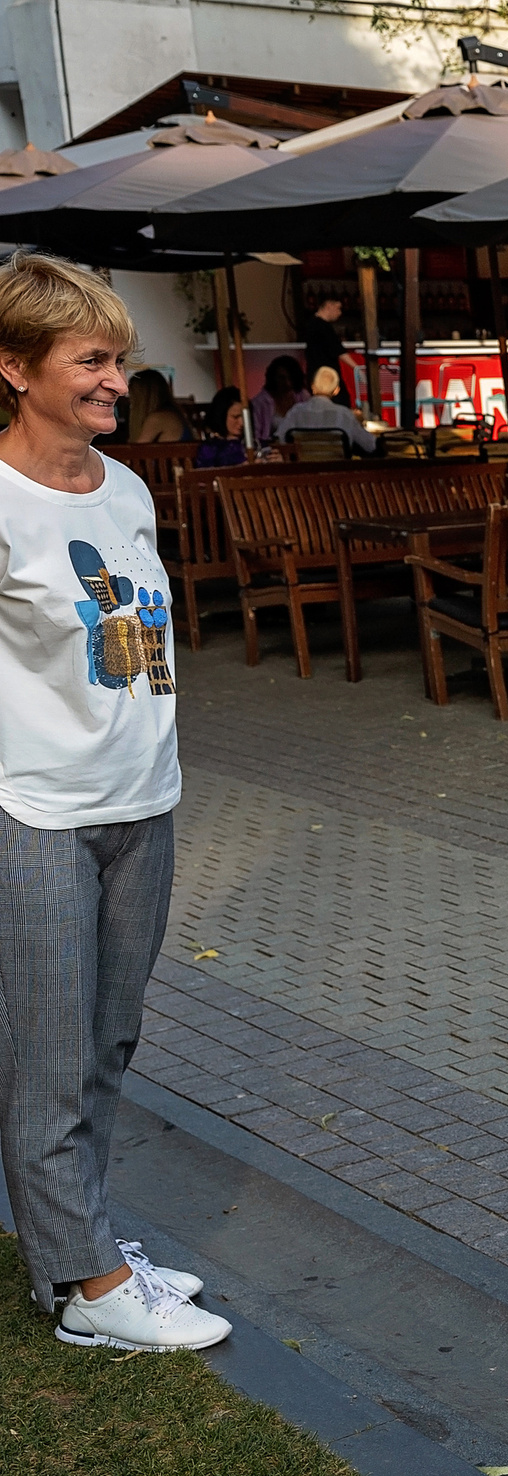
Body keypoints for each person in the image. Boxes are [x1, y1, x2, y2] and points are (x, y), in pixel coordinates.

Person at [0, 252, 226, 1352]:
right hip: (35, 810)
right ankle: (89, 1291)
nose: (113, 380)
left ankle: (79, 1244)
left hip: (144, 800)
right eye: (90, 359)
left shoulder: (126, 487)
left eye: (119, 359)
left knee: (109, 1039)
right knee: (48, 1053)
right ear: (14, 367)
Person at [275, 365, 378, 455]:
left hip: (304, 473)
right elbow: (370, 445)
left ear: (313, 387)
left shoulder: (296, 411)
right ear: (336, 390)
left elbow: (279, 440)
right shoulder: (344, 414)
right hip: (337, 474)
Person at [248, 355, 306, 450]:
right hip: (270, 453)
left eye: (290, 378)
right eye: (282, 378)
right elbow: (256, 436)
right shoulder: (260, 403)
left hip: (300, 451)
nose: (287, 383)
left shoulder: (303, 396)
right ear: (273, 378)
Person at [121, 367, 188, 444]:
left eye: (132, 395)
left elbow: (136, 450)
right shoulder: (173, 413)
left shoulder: (158, 418)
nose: (130, 400)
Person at [194, 385, 246, 468]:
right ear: (221, 416)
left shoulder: (254, 444)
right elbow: (205, 476)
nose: (242, 423)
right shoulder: (210, 449)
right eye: (235, 417)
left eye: (245, 417)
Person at [300, 293, 346, 385]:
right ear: (329, 306)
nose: (340, 313)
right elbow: (338, 350)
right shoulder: (323, 326)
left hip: (315, 375)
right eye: (338, 308)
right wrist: (357, 368)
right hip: (327, 376)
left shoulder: (311, 324)